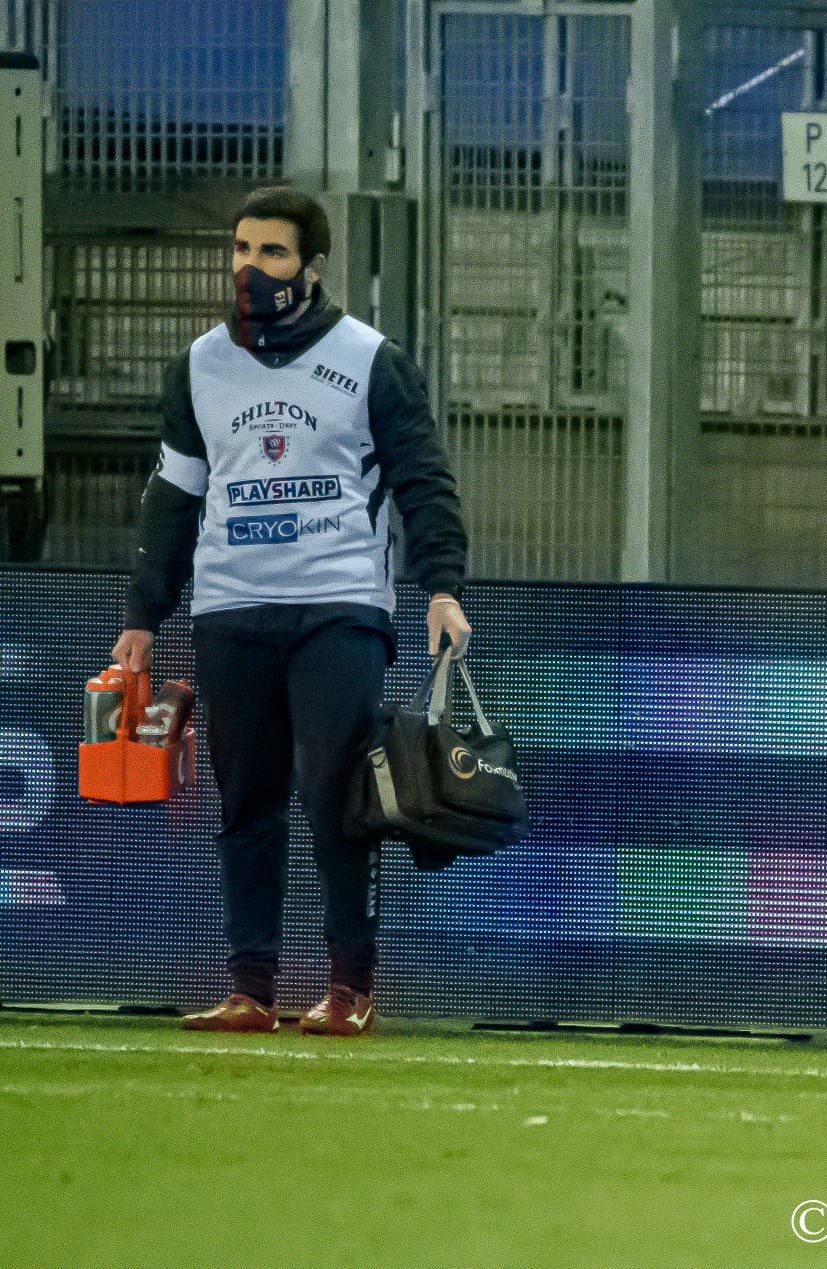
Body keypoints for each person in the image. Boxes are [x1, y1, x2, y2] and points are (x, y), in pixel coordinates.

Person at [112, 186, 470, 1036]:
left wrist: (441, 586)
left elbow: (424, 481)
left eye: (270, 253)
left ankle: (350, 988)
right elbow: (173, 498)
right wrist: (141, 617)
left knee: (336, 795)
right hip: (230, 606)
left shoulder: (372, 358)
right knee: (246, 801)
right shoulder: (198, 365)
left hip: (340, 603)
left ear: (311, 267)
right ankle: (251, 988)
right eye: (239, 249)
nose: (249, 267)